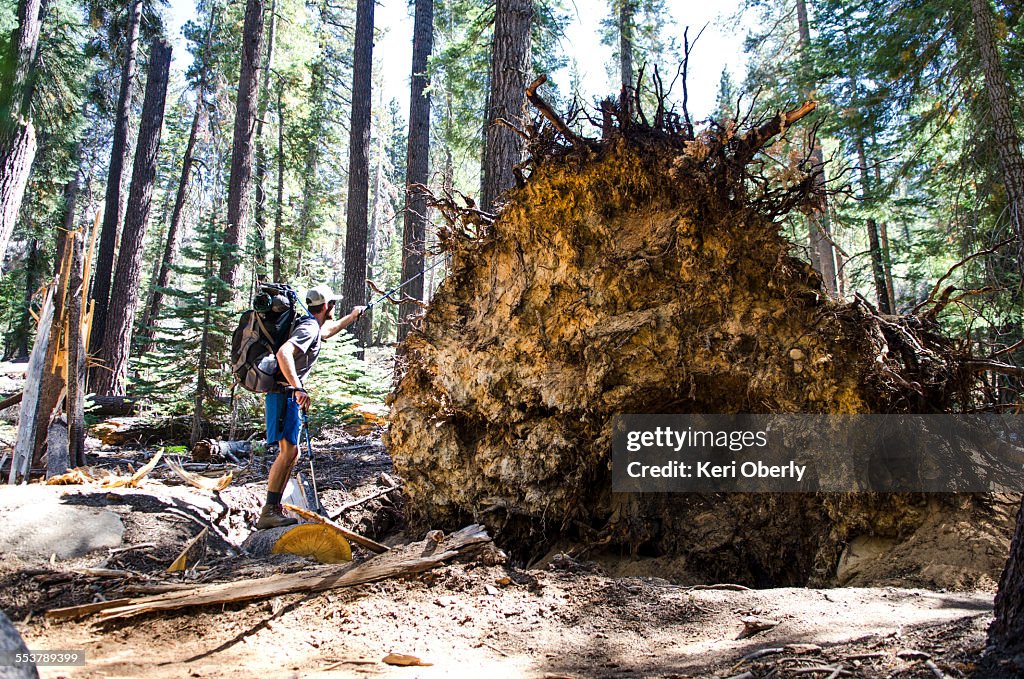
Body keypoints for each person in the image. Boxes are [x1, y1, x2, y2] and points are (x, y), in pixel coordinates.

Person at [256, 284, 366, 529]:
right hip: (283, 393)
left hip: (286, 393)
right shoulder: (307, 328)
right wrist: (298, 388)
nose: (334, 308)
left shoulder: (311, 326)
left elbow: (325, 333)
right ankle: (269, 511)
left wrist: (352, 317)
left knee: (292, 453)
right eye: (333, 304)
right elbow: (284, 353)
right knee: (287, 452)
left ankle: (273, 508)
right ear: (326, 306)